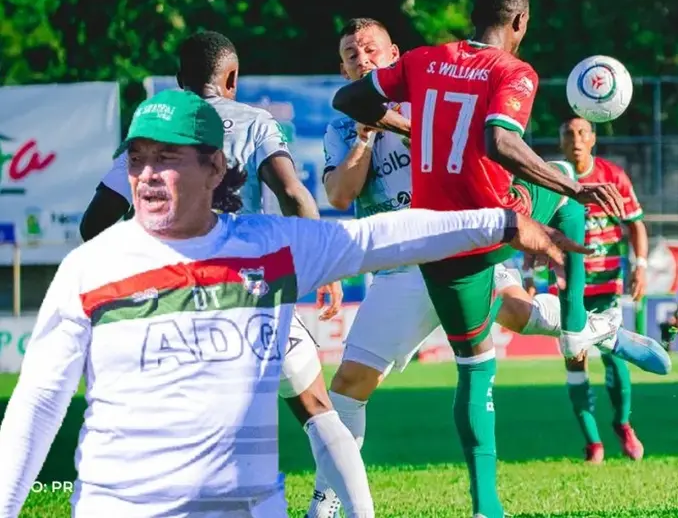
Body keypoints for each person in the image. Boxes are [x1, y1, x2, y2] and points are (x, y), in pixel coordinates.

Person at [0, 89, 581, 517]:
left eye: (168, 158)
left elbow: (387, 235)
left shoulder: (269, 247)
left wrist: (504, 221)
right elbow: (36, 406)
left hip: (246, 507)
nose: (147, 176)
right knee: (319, 405)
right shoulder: (89, 267)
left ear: (214, 167)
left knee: (320, 405)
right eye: (137, 159)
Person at [332, 0, 669, 518]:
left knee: (475, 364)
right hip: (496, 222)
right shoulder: (513, 69)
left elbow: (349, 100)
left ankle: (487, 508)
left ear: (470, 17)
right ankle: (581, 323)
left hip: (438, 243)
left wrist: (398, 125)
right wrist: (572, 186)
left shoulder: (419, 60)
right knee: (562, 187)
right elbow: (501, 141)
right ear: (519, 20)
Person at [75, 31, 369, 514]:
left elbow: (94, 224)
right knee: (318, 411)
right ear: (230, 78)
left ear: (178, 81)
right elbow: (294, 194)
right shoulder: (256, 122)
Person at [555, 116, 649, 463]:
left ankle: (623, 424)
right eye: (569, 133)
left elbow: (635, 224)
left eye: (582, 133)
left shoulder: (612, 176)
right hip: (567, 290)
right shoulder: (552, 178)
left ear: (592, 139)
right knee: (575, 362)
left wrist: (640, 266)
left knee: (614, 357)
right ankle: (592, 442)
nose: (576, 139)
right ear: (561, 141)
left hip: (607, 285)